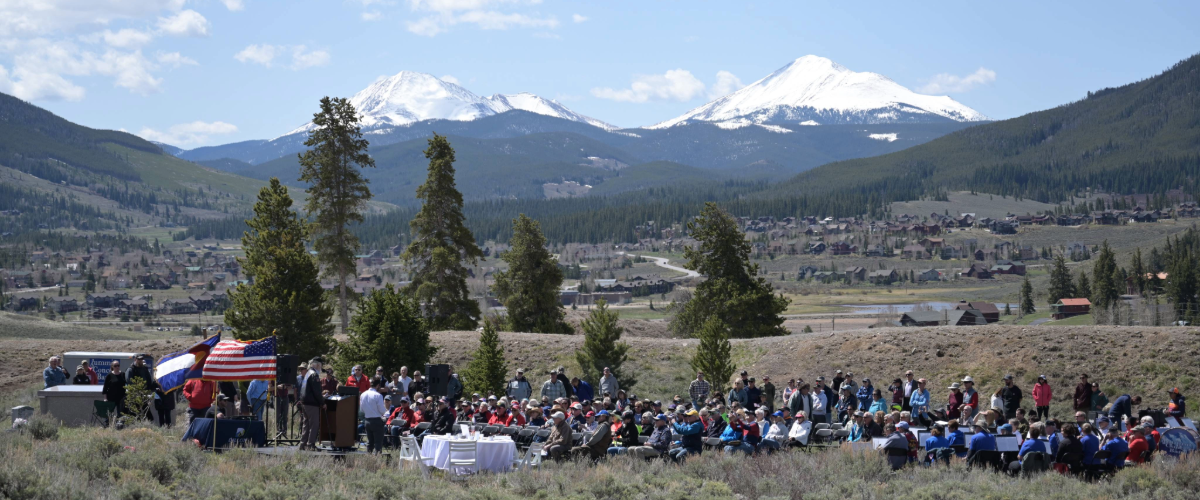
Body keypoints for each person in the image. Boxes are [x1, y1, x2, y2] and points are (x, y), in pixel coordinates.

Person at [298, 358, 324, 451]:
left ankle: (303, 444)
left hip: (304, 402)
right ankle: (310, 444)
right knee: (314, 425)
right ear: (316, 365)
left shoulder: (308, 373)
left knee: (306, 424)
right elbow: (317, 392)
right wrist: (322, 402)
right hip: (312, 403)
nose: (321, 368)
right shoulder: (314, 375)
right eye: (320, 365)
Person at [360, 378, 387, 453]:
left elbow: (362, 409)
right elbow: (382, 410)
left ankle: (369, 459)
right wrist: (385, 411)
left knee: (370, 442)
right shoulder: (378, 395)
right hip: (376, 420)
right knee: (378, 443)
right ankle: (377, 460)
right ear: (378, 385)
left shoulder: (363, 394)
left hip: (367, 420)